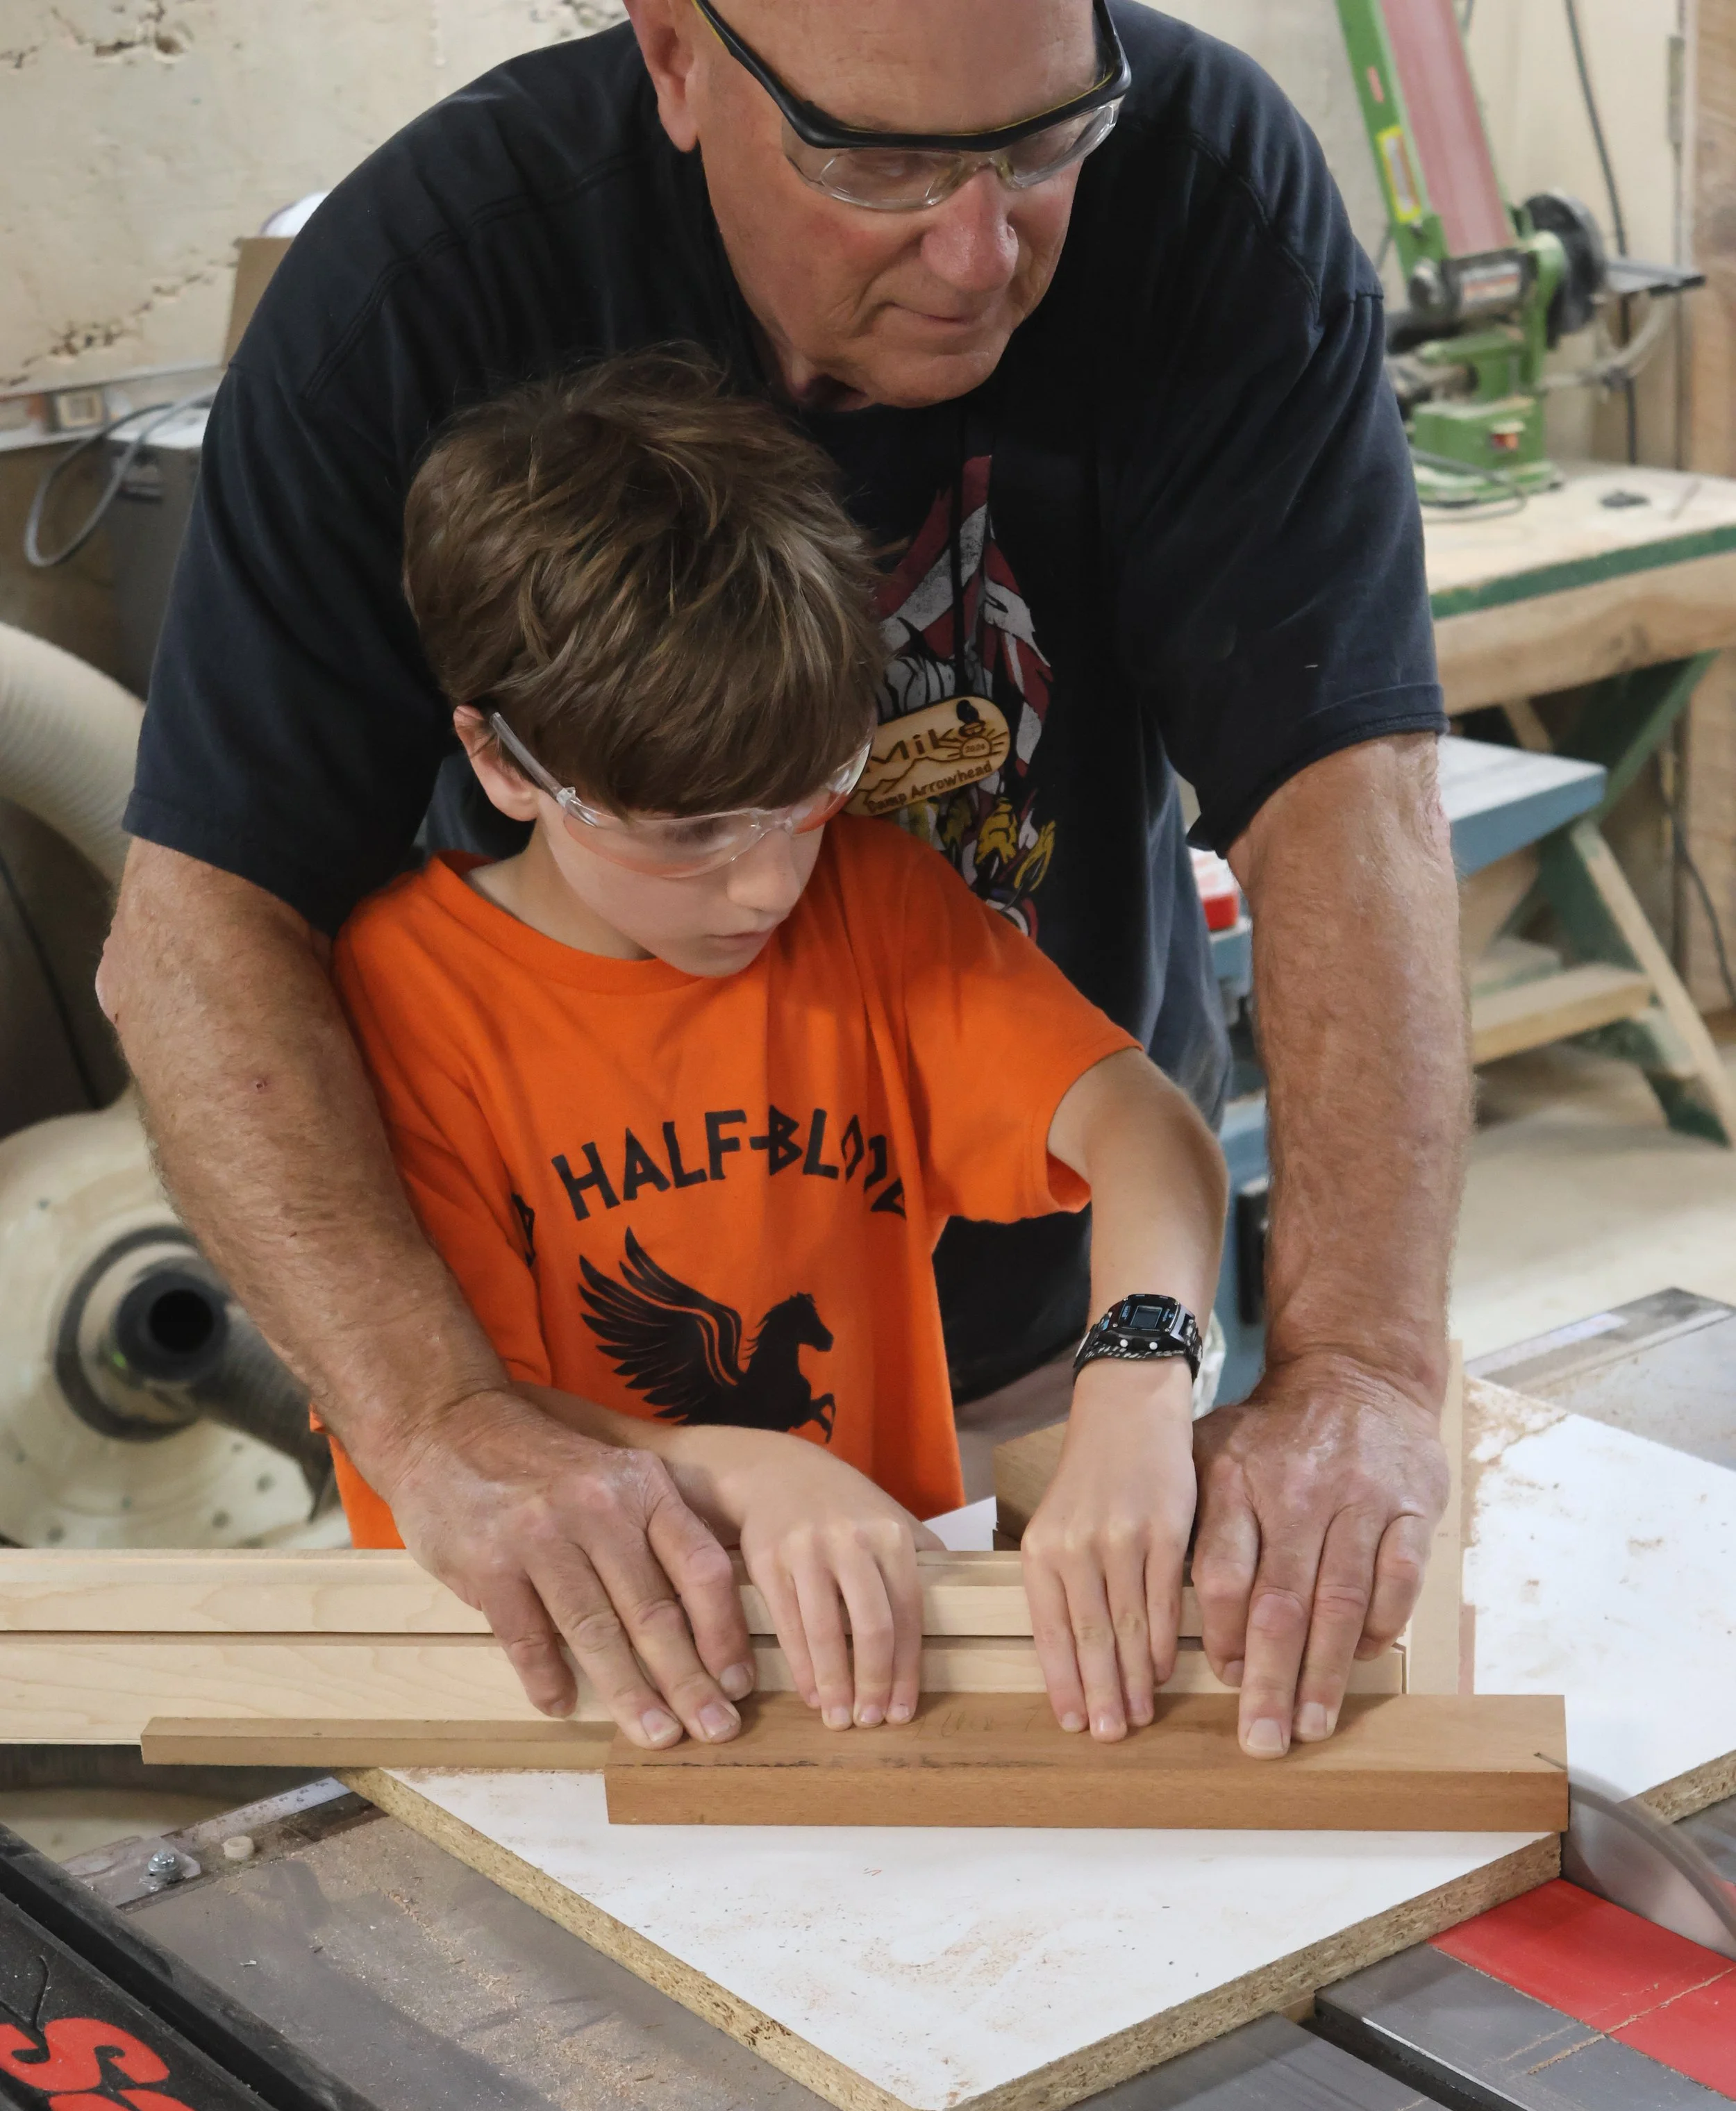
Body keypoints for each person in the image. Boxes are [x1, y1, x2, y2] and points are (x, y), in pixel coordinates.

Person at [99, 0, 1467, 1759]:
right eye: (877, 159)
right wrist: (444, 1423)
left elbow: (1347, 796)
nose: (979, 255)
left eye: (1047, 142)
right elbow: (200, 932)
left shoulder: (1206, 191)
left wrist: (1331, 1366)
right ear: (677, 55)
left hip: (1029, 1340)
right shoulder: (418, 287)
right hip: (597, 1508)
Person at [332, 353, 1226, 1743]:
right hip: (556, 1681)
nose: (760, 888)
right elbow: (454, 1416)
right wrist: (741, 1472)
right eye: (686, 834)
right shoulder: (401, 1002)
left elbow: (1142, 1128)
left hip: (878, 1662)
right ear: (505, 763)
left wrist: (1138, 1373)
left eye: (802, 800)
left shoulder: (869, 902)